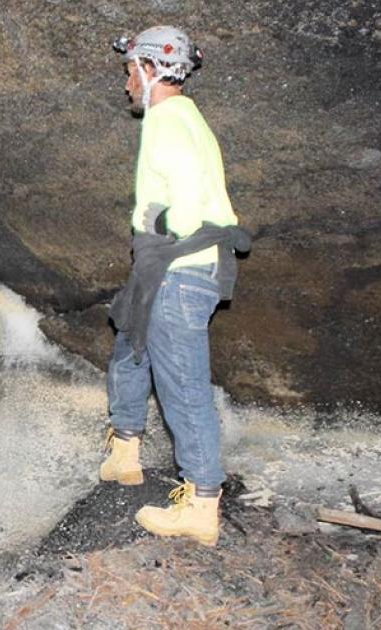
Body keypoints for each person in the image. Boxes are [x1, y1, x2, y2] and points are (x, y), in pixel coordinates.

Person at [99, 25, 251, 547]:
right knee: (131, 346)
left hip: (179, 271)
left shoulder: (167, 120)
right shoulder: (185, 118)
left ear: (148, 70)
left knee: (183, 387)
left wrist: (165, 226)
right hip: (166, 273)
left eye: (128, 72)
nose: (125, 84)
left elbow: (187, 199)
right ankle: (124, 455)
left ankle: (202, 504)